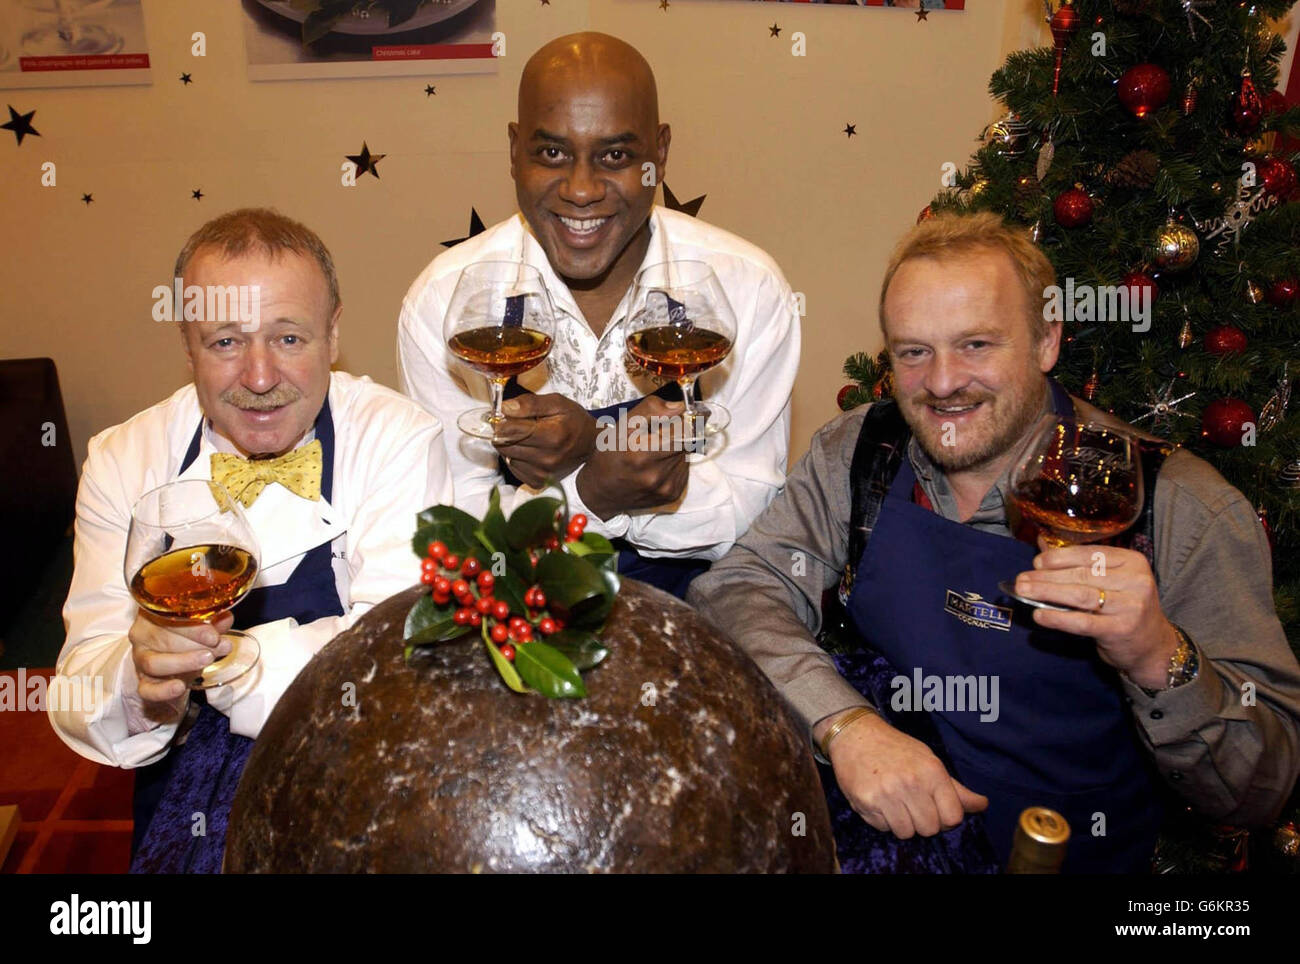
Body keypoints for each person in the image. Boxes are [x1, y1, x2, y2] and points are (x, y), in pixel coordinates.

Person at [689, 212, 1300, 873]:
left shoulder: (1181, 507)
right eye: (913, 352)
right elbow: (738, 588)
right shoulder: (861, 451)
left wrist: (1160, 656)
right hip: (888, 850)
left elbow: (1260, 789)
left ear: (1046, 343)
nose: (945, 382)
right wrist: (845, 725)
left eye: (977, 345)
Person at [50, 208, 453, 873]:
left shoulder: (398, 437)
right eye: (226, 342)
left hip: (357, 765)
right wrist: (140, 680)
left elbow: (398, 657)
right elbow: (74, 691)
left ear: (333, 332)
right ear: (186, 345)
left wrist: (228, 665)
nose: (260, 377)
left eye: (289, 338)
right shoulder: (123, 458)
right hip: (184, 784)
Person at [398, 32, 800, 599]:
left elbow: (750, 510)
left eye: (615, 156)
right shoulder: (444, 303)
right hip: (521, 620)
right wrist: (597, 490)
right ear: (514, 150)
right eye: (552, 153)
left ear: (659, 153)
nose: (582, 190)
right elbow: (459, 534)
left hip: (699, 615)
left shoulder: (747, 287)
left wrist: (591, 456)